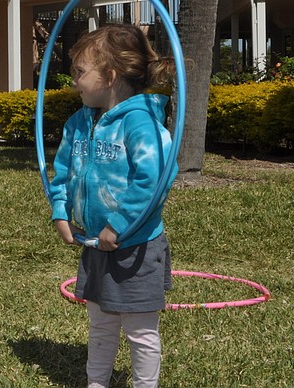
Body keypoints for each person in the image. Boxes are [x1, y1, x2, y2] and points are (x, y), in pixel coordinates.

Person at [48, 23, 177, 388]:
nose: (73, 80)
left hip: (135, 247)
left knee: (139, 330)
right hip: (94, 244)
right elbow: (61, 171)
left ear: (109, 75)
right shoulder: (78, 123)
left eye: (79, 72)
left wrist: (117, 225)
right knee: (101, 324)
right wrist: (60, 210)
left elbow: (153, 181)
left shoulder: (141, 124)